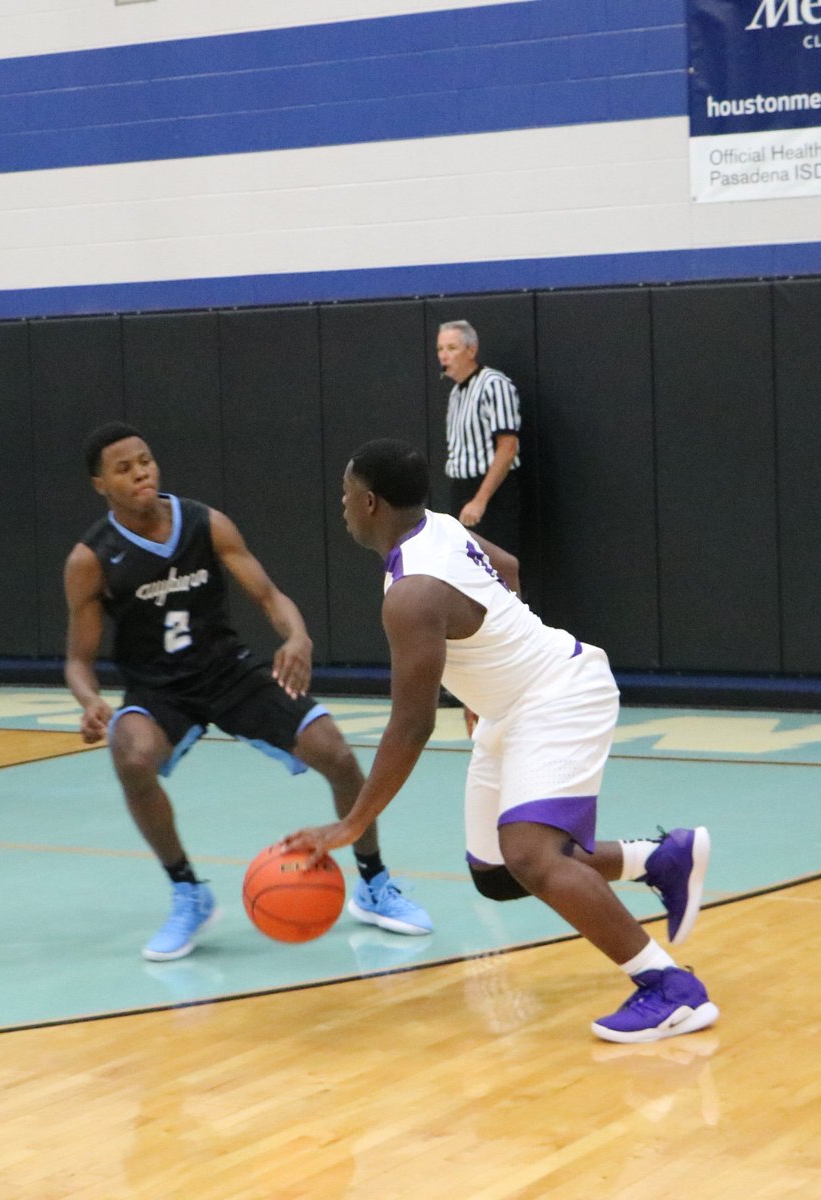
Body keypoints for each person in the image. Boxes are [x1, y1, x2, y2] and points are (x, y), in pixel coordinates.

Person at [282, 439, 718, 1043]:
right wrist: (491, 677)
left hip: (558, 694)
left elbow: (411, 725)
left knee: (531, 856)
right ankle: (660, 859)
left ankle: (670, 989)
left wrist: (352, 823)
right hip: (510, 705)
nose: (343, 507)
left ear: (370, 501)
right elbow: (507, 568)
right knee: (497, 871)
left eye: (345, 496)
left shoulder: (410, 595)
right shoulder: (435, 526)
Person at [64, 422, 432, 962]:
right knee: (131, 754)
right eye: (123, 468)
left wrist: (297, 635)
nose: (140, 472)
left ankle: (375, 884)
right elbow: (78, 659)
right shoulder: (91, 559)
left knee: (337, 753)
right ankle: (188, 891)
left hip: (228, 671)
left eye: (144, 460)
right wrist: (91, 701)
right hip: (159, 688)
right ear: (101, 484)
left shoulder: (204, 523)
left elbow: (268, 594)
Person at [437, 320, 522, 554]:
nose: (444, 356)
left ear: (471, 350)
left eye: (452, 348)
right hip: (462, 488)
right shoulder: (456, 393)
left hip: (492, 492)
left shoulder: (493, 385)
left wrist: (480, 500)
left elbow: (507, 447)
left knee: (496, 569)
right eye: (440, 349)